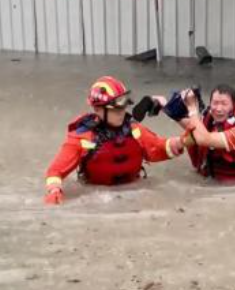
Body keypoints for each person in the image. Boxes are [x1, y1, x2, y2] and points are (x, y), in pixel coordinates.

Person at [43, 76, 184, 205]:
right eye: (116, 109)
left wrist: (183, 141)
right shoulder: (82, 138)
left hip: (137, 197)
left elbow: (160, 147)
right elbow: (55, 171)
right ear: (98, 109)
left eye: (123, 108)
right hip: (96, 200)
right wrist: (54, 190)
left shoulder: (136, 131)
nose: (122, 113)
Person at [173, 84, 235, 179]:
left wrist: (192, 108)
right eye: (215, 103)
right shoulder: (209, 122)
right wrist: (167, 107)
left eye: (224, 104)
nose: (218, 109)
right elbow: (193, 128)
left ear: (233, 106)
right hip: (213, 181)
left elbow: (204, 139)